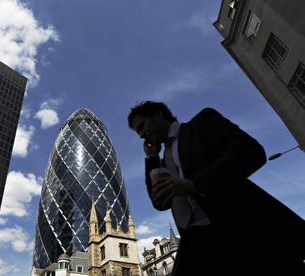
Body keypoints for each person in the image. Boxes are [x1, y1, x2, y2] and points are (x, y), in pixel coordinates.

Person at [127, 101, 305, 276]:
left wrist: (192, 183)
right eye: (138, 133)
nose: (142, 135)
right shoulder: (163, 160)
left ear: (158, 114)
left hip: (240, 228)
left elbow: (250, 152)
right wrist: (151, 158)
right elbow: (160, 203)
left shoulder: (200, 124)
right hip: (200, 243)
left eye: (142, 126)